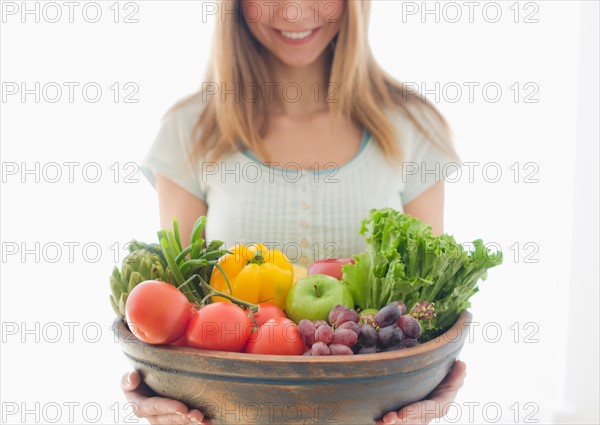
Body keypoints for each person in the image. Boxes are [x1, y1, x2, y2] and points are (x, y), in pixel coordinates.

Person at [123, 1, 466, 423]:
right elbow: (173, 305)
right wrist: (153, 381)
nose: (294, 13)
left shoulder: (414, 127)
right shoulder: (189, 130)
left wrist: (436, 383)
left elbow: (428, 307)